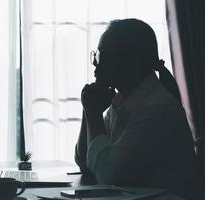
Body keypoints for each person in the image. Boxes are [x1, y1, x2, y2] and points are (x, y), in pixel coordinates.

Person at [74, 18, 204, 199]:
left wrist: (94, 113)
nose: (95, 63)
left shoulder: (157, 109)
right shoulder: (122, 102)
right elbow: (85, 162)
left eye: (102, 55)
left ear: (131, 61)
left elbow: (108, 175)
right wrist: (88, 109)